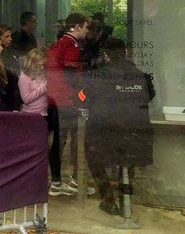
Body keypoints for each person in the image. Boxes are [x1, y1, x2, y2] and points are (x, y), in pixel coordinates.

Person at [84, 38, 154, 216]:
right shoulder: (140, 74)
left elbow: (83, 96)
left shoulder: (100, 75)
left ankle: (108, 199)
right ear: (125, 53)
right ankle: (125, 201)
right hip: (137, 134)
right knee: (127, 161)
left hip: (105, 134)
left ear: (106, 55)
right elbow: (149, 96)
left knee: (92, 155)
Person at [46, 12, 89, 196]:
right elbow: (74, 77)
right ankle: (73, 181)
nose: (87, 31)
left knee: (58, 141)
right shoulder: (71, 45)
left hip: (55, 98)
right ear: (77, 27)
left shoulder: (57, 44)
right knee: (74, 142)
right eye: (86, 27)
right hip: (68, 99)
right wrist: (83, 98)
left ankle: (56, 180)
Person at [19, 48, 48, 115]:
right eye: (40, 65)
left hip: (43, 112)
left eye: (43, 65)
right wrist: (43, 88)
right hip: (30, 114)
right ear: (32, 64)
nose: (42, 68)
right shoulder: (24, 78)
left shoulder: (41, 74)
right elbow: (26, 99)